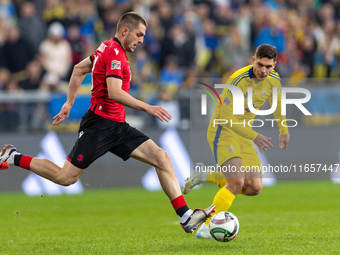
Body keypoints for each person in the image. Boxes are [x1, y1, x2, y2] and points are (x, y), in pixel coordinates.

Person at [0, 12, 215, 234]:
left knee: (162, 157)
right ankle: (13, 157)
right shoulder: (115, 55)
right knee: (65, 178)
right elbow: (114, 92)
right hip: (99, 126)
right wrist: (148, 107)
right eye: (139, 34)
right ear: (125, 31)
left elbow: (79, 69)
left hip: (117, 126)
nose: (142, 40)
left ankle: (186, 216)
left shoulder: (106, 47)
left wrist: (69, 103)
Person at [183, 44, 290, 238]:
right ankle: (207, 226)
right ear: (252, 60)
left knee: (254, 187)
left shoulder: (274, 80)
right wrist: (255, 136)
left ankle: (204, 174)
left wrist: (283, 130)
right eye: (260, 65)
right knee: (236, 182)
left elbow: (277, 103)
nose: (263, 70)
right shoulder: (237, 80)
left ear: (275, 64)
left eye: (268, 66)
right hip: (222, 130)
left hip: (244, 133)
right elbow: (226, 117)